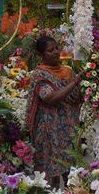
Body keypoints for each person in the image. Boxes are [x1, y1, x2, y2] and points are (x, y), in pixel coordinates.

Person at [25, 36, 82, 185]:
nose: (56, 52)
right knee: (51, 177)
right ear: (41, 55)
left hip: (68, 131)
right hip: (49, 133)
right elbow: (51, 98)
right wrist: (75, 82)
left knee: (72, 177)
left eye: (57, 48)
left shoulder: (67, 71)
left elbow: (76, 97)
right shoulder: (39, 75)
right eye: (51, 50)